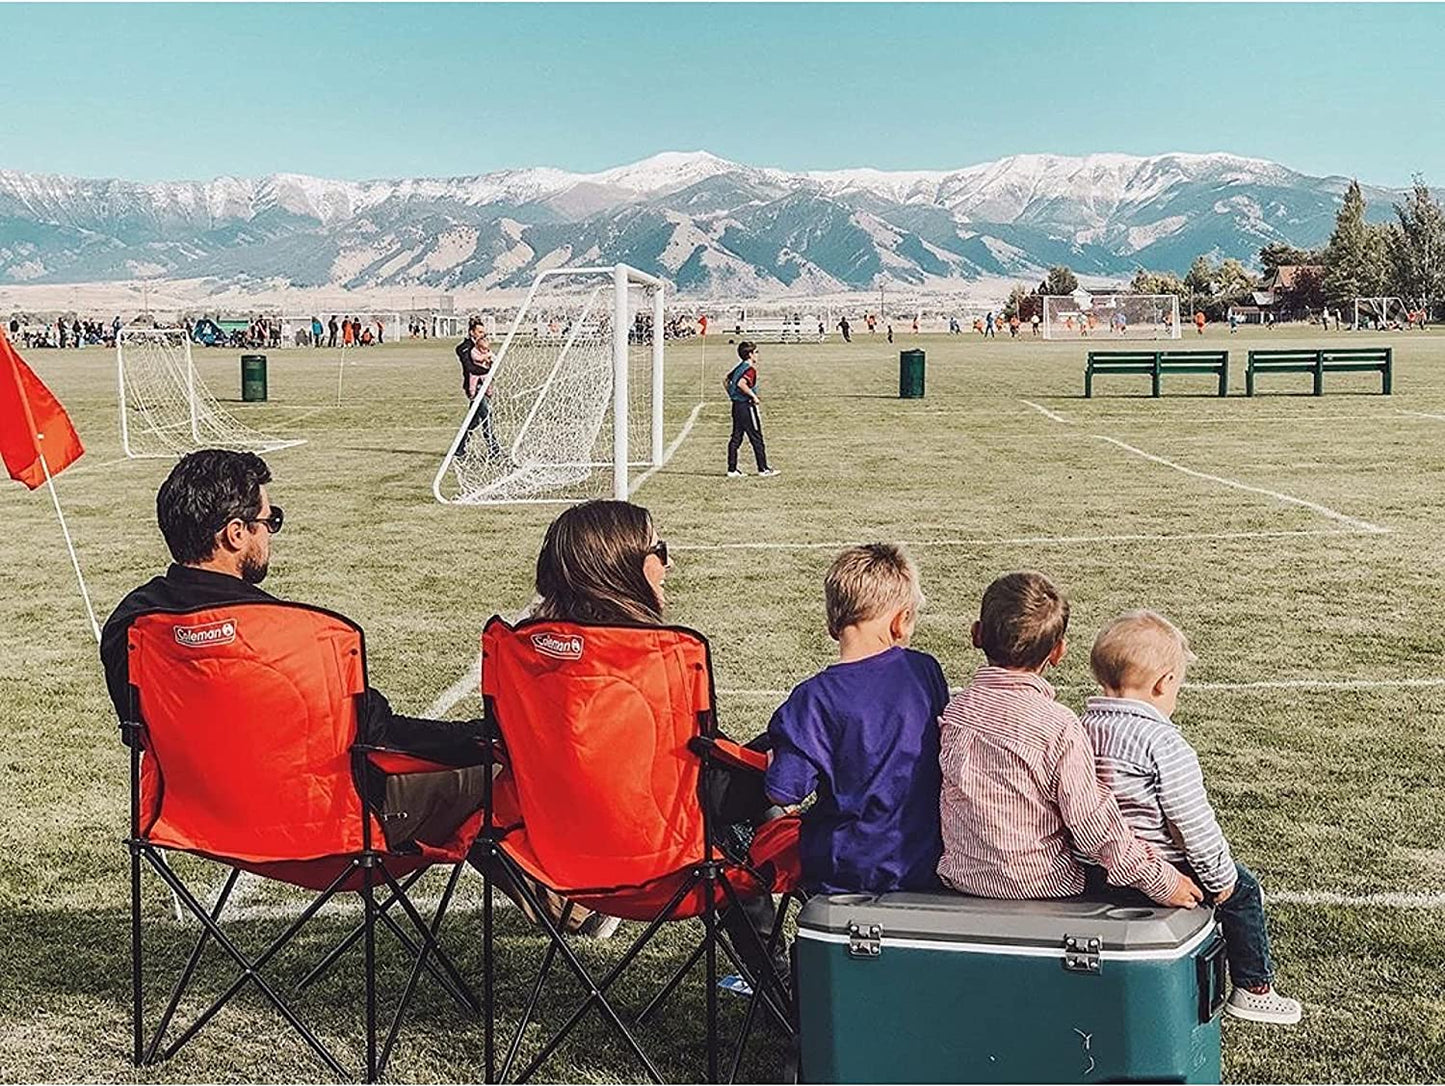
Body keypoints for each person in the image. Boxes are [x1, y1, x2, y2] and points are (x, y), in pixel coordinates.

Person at [527, 499, 786, 963]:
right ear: (623, 567)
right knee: (787, 757)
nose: (668, 562)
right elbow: (702, 782)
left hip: (562, 856)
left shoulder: (526, 655)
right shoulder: (653, 658)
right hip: (661, 857)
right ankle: (782, 979)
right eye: (659, 549)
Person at [1079, 611, 1301, 1024]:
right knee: (1244, 890)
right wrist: (1219, 878)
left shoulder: (1079, 727)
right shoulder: (1163, 741)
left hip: (1093, 868)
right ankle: (1254, 987)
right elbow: (1190, 822)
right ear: (1164, 683)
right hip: (1163, 869)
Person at [937, 571, 1202, 908]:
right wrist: (1160, 880)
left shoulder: (957, 711)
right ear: (1058, 652)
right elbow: (1093, 825)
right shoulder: (1058, 726)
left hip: (964, 878)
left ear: (976, 634)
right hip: (1043, 884)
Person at [766, 544, 947, 895]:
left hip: (845, 871)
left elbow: (784, 790)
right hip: (926, 861)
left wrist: (776, 760)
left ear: (833, 622)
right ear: (900, 621)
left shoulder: (814, 699)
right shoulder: (925, 671)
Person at [724, 341, 777, 479]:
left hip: (736, 406)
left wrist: (731, 394)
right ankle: (763, 468)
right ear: (750, 354)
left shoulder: (739, 367)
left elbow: (726, 380)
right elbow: (742, 383)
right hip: (746, 406)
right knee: (756, 437)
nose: (758, 355)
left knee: (736, 437)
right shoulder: (749, 369)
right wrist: (753, 396)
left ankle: (732, 469)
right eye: (756, 352)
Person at [455, 318, 503, 459]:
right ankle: (495, 451)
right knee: (487, 414)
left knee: (474, 420)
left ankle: (459, 448)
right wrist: (488, 369)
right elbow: (471, 368)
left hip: (484, 384)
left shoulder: (482, 346)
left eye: (484, 332)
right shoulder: (464, 348)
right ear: (472, 332)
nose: (483, 334)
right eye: (480, 332)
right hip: (474, 387)